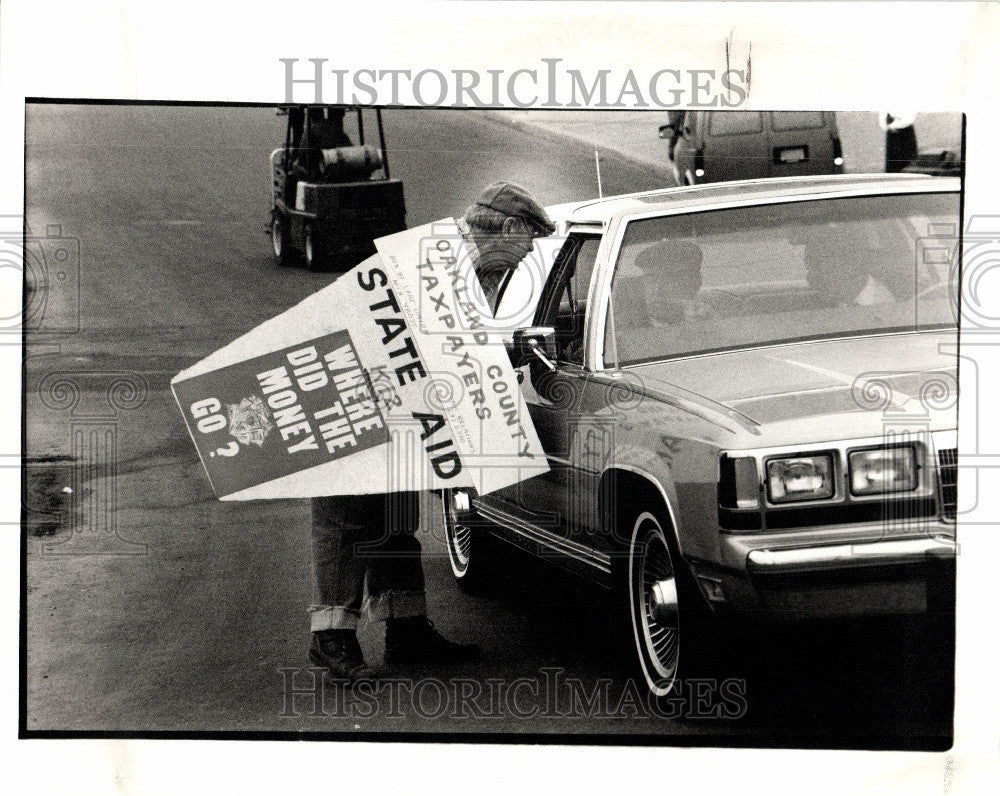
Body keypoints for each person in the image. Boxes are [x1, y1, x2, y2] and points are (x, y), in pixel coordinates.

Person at [307, 181, 554, 682]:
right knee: (348, 515)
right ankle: (329, 636)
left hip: (400, 402)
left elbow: (455, 349)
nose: (527, 256)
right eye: (528, 241)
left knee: (395, 514)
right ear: (508, 227)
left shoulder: (472, 265)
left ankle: (406, 627)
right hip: (352, 392)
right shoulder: (437, 261)